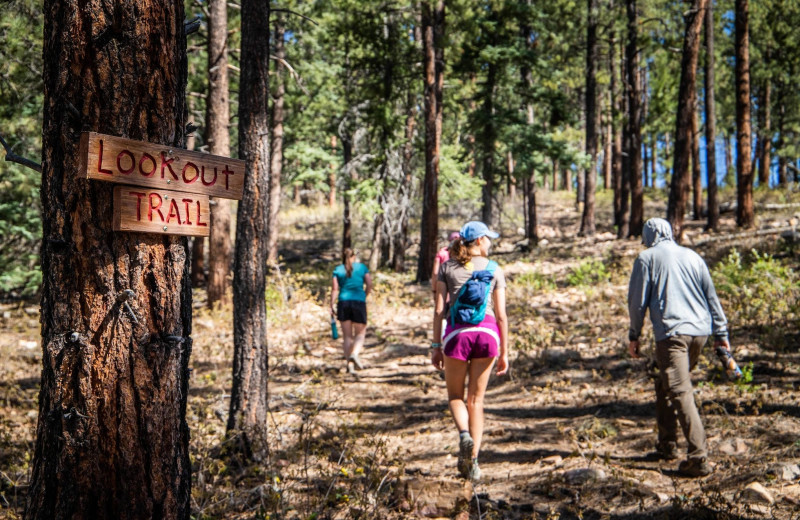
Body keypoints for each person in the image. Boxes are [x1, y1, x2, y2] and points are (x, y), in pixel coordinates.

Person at [628, 218, 730, 478]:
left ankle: (698, 457)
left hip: (672, 335)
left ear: (649, 237)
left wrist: (634, 335)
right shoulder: (693, 256)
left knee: (680, 391)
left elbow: (637, 302)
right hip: (700, 333)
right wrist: (721, 333)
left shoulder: (646, 258)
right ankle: (667, 444)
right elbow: (711, 296)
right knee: (665, 384)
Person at [431, 221, 509, 482]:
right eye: (488, 238)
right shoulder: (495, 269)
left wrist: (435, 346)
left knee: (456, 397)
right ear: (478, 241)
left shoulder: (446, 267)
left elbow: (439, 311)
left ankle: (463, 434)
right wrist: (505, 352)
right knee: (476, 401)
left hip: (456, 336)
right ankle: (473, 462)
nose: (490, 243)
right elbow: (501, 316)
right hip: (487, 336)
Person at [331, 248, 373, 375]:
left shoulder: (337, 270)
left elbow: (334, 289)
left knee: (347, 336)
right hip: (359, 302)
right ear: (354, 256)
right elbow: (369, 284)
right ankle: (354, 354)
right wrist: (363, 296)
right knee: (360, 333)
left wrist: (331, 304)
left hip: (343, 302)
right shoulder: (362, 268)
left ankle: (349, 364)